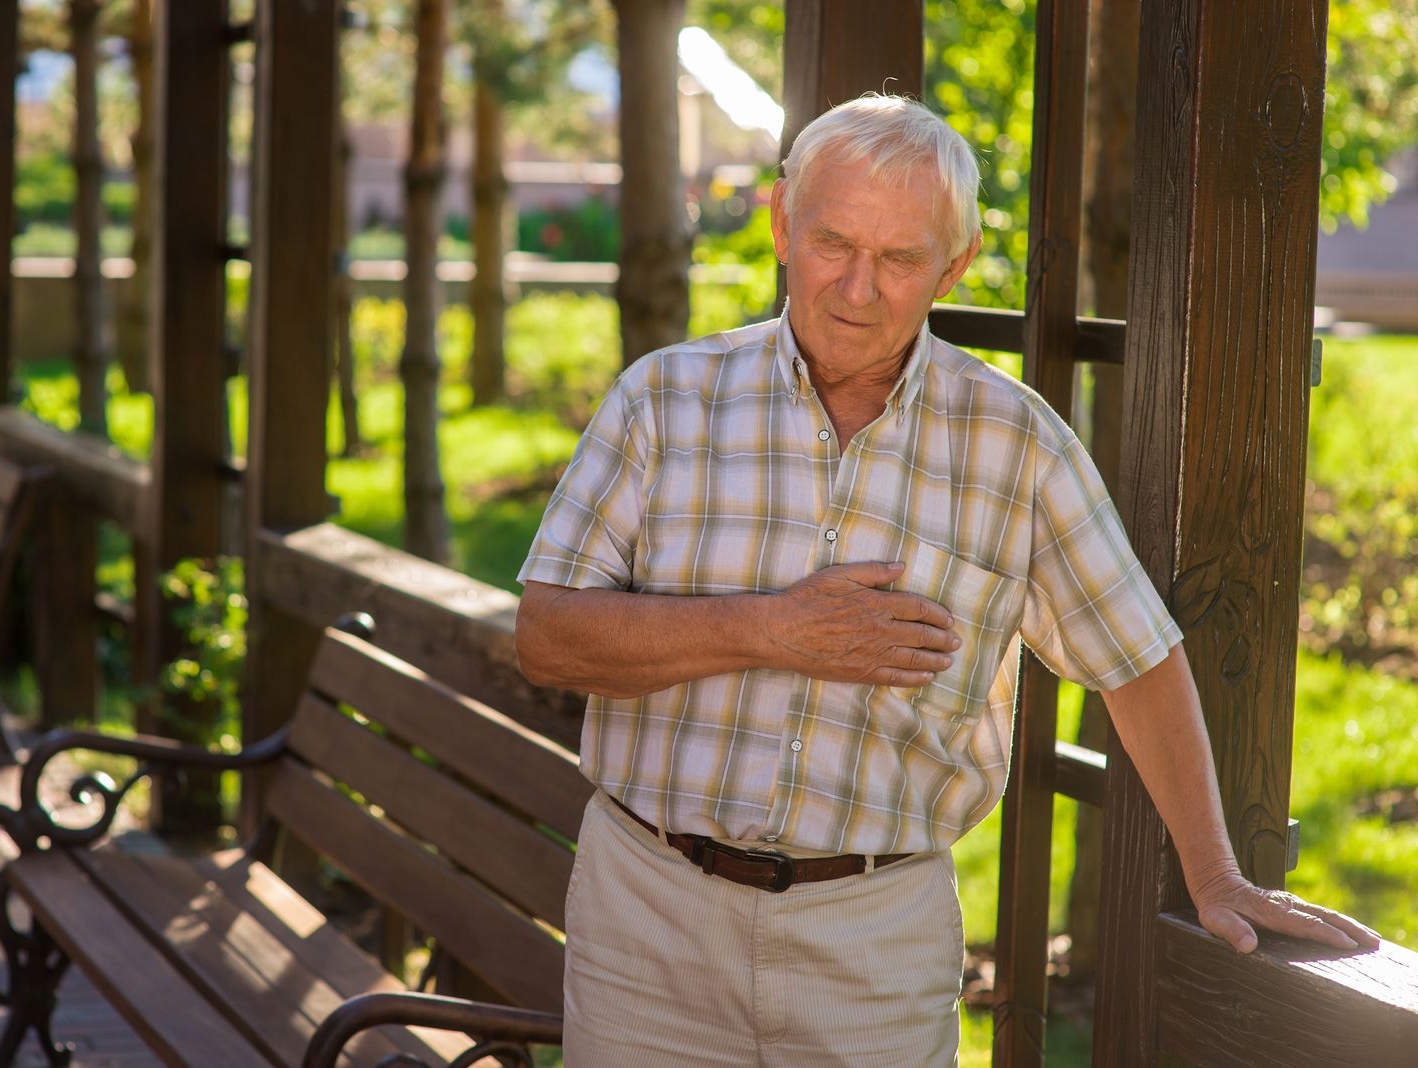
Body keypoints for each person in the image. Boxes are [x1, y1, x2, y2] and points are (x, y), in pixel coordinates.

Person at [514, 94, 1377, 1066]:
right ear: (780, 224)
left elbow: (1136, 655)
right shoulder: (660, 402)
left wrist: (1216, 875)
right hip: (648, 919)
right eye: (833, 242)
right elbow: (548, 636)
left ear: (954, 265)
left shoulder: (1016, 443)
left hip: (874, 941)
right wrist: (771, 629)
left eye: (900, 259)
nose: (857, 286)